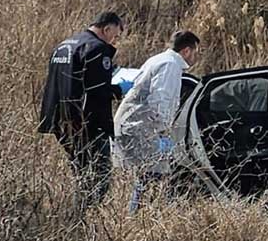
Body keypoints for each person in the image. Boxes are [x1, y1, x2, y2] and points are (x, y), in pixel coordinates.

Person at [38, 11, 125, 208]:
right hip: (85, 123)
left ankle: (77, 219)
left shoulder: (64, 45)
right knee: (98, 178)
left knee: (82, 174)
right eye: (115, 35)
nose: (114, 40)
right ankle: (83, 221)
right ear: (107, 28)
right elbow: (97, 91)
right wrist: (119, 89)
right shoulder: (96, 49)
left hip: (59, 120)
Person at [113, 30, 201, 213]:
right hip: (141, 126)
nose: (196, 56)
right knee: (153, 175)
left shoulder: (159, 59)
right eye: (196, 51)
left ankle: (136, 216)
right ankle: (138, 219)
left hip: (135, 123)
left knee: (147, 175)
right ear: (186, 51)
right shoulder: (170, 65)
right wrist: (163, 131)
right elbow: (161, 101)